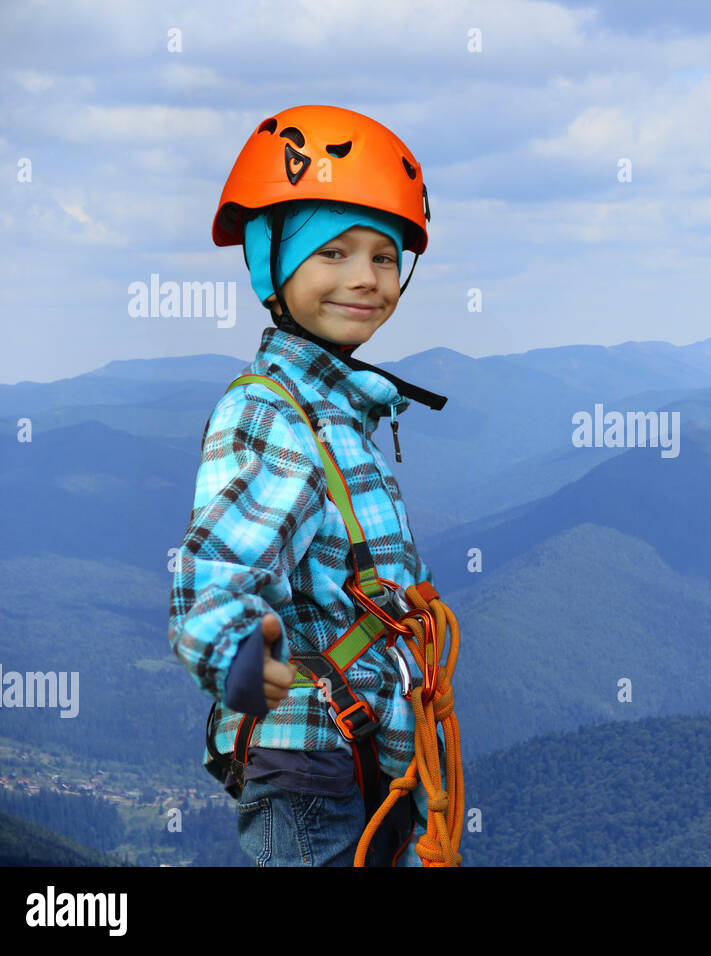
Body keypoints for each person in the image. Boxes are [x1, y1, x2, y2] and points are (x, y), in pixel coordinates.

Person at [168, 105, 446, 866]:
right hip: (313, 771)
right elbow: (213, 573)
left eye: (384, 257)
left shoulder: (337, 407)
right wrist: (236, 652)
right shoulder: (273, 414)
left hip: (359, 755)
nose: (365, 278)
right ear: (270, 263)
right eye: (332, 252)